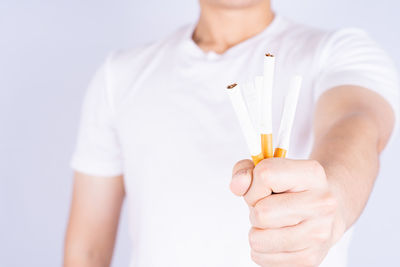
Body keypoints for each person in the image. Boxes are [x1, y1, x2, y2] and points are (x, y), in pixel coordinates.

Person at [63, 0, 399, 266]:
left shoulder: (340, 51)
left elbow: (358, 123)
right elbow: (87, 253)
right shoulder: (118, 76)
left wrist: (334, 203)